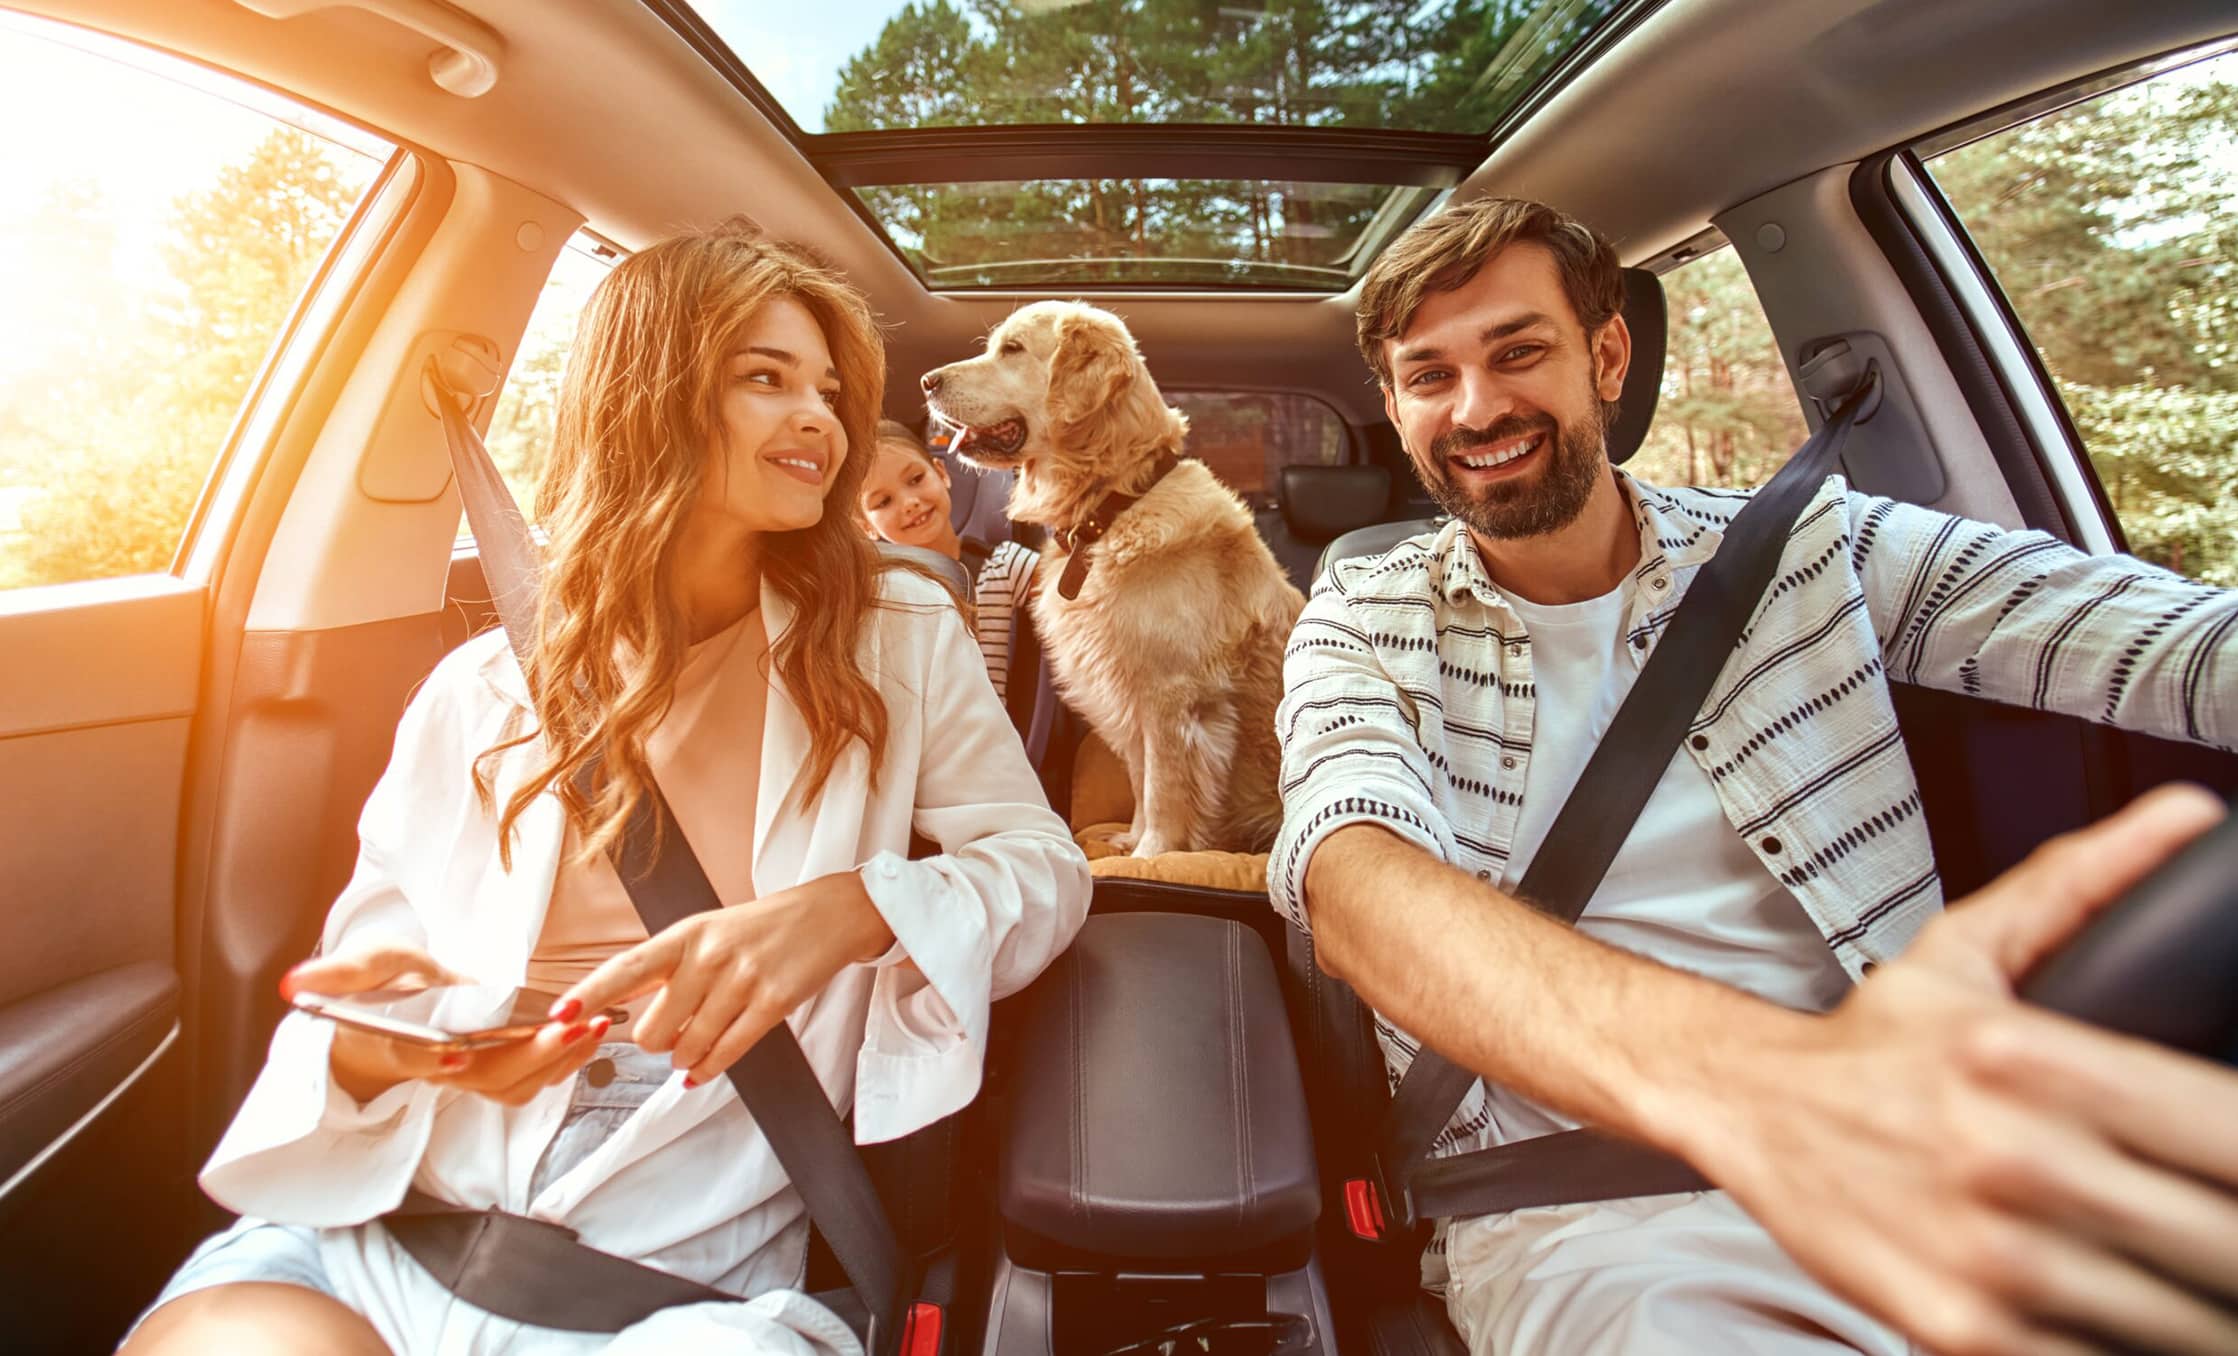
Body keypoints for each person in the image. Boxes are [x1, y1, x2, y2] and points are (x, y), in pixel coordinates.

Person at [1271, 196, 2238, 1355]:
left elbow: (2152, 639)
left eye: (1519, 351)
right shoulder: (1365, 612)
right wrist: (1786, 1090)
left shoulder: (1804, 548)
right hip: (1582, 1216)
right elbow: (1354, 874)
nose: (1477, 409)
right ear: (1392, 404)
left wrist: (1858, 1105)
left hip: (1916, 1143)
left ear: (1608, 354)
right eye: (1429, 376)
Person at [124, 226, 1091, 1355]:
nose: (820, 420)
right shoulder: (477, 690)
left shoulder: (897, 636)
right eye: (764, 378)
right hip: (388, 1223)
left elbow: (1046, 870)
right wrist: (398, 1045)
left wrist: (852, 911)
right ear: (650, 395)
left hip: (676, 1279)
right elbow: (371, 996)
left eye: (829, 388)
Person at [857, 419, 1039, 702]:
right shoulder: (883, 599)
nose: (909, 503)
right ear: (866, 527)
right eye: (884, 502)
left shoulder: (1001, 565)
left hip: (990, 738)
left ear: (941, 473)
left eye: (916, 479)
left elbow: (1076, 591)